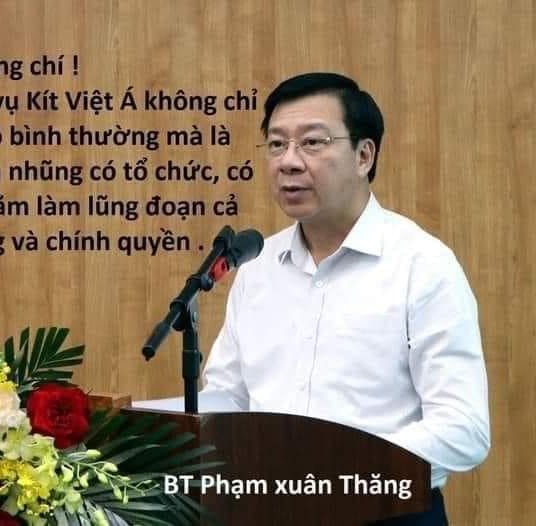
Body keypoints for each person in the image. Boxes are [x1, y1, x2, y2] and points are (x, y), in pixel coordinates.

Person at [201, 72, 490, 525]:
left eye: (312, 143)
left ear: (363, 155)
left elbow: (463, 427)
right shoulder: (257, 266)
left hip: (387, 512)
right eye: (276, 144)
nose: (288, 162)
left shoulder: (421, 265)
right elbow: (228, 399)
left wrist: (338, 475)